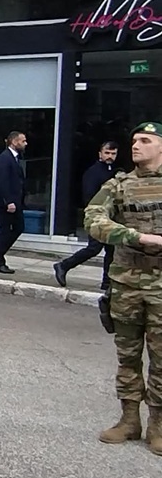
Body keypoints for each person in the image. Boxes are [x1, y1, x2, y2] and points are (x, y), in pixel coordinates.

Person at [84, 121, 162, 456]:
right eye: (134, 140)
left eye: (145, 140)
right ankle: (130, 420)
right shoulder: (118, 184)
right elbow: (93, 218)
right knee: (127, 356)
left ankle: (158, 425)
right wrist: (135, 236)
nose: (136, 146)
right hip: (127, 283)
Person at [54, 141, 118, 289]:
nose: (110, 156)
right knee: (94, 248)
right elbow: (89, 196)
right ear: (100, 154)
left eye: (113, 153)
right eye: (107, 153)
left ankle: (107, 283)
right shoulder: (93, 172)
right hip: (97, 217)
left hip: (111, 218)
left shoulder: (115, 172)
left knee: (111, 250)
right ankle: (63, 265)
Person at [0, 131, 28, 274]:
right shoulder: (5, 158)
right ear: (14, 142)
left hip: (14, 201)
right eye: (23, 141)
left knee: (18, 227)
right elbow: (2, 181)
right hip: (7, 202)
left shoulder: (14, 158)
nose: (25, 144)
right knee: (5, 229)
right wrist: (9, 201)